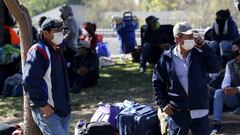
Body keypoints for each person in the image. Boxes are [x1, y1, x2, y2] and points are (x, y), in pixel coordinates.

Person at [152, 22, 220, 135]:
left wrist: (205, 47)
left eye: (192, 36)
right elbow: (157, 82)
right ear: (177, 38)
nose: (192, 39)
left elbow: (216, 67)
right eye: (188, 36)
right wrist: (163, 104)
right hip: (177, 112)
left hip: (200, 110)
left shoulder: (200, 54)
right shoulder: (165, 58)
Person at [22, 18, 71, 135]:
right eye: (57, 30)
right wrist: (43, 105)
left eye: (62, 29)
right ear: (45, 33)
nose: (61, 32)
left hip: (63, 111)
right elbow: (29, 81)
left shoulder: (56, 49)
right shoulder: (38, 50)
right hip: (48, 113)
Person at [211, 38, 240, 133]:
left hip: (237, 93)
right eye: (234, 50)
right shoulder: (230, 64)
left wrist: (237, 89)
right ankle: (217, 124)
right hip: (236, 99)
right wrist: (226, 88)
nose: (234, 52)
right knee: (219, 92)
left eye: (237, 50)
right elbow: (226, 80)